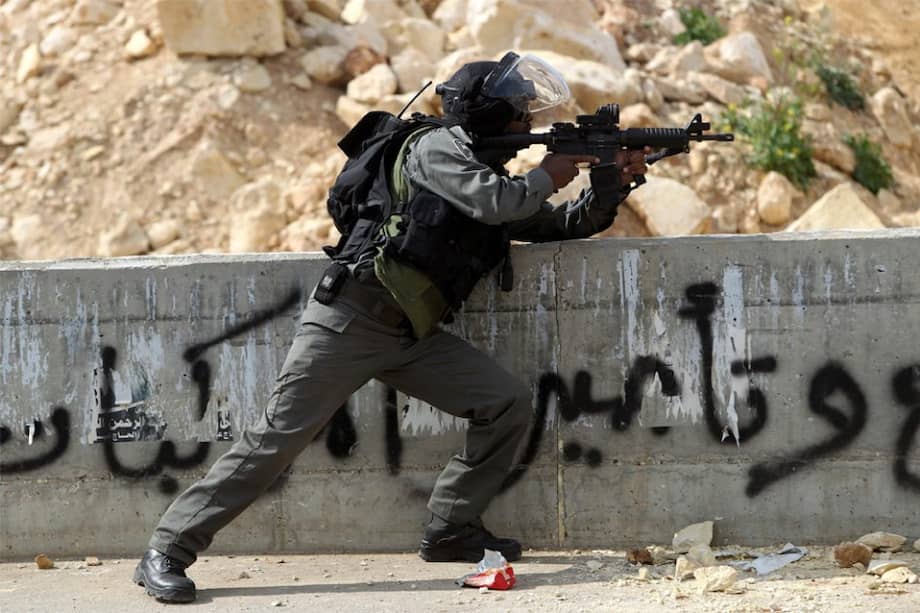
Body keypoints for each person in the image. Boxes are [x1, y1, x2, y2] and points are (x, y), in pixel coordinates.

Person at [133, 51, 649, 603]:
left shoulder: (482, 169)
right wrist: (549, 171)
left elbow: (559, 223)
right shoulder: (435, 148)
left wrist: (610, 183)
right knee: (274, 442)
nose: (528, 123)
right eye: (520, 112)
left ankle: (450, 528)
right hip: (349, 322)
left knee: (505, 404)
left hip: (411, 333)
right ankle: (167, 548)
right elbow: (499, 203)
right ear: (489, 112)